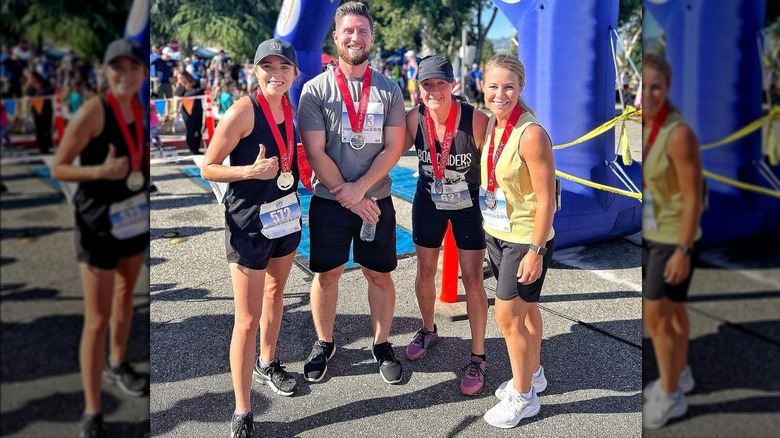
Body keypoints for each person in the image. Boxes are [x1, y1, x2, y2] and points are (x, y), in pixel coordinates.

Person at [298, 1, 406, 386]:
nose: (355, 37)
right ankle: (324, 342)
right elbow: (314, 151)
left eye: (362, 31)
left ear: (372, 37)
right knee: (327, 276)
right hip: (330, 203)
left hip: (376, 202)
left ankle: (381, 344)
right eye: (348, 30)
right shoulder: (315, 90)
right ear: (336, 36)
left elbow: (393, 148)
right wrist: (350, 196)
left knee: (379, 275)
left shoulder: (390, 88)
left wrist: (362, 191)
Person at [200, 38, 302, 438]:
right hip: (248, 225)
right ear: (255, 71)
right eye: (267, 67)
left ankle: (268, 362)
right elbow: (208, 166)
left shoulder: (292, 109)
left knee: (276, 294)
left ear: (295, 73)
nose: (275, 74)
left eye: (283, 67)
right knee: (246, 319)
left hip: (286, 217)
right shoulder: (243, 111)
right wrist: (247, 172)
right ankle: (242, 409)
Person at [50, 38, 149, 438]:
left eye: (131, 67)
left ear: (141, 72)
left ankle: (118, 361)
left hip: (132, 218)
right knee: (96, 318)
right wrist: (97, 173)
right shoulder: (94, 110)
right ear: (105, 72)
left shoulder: (141, 107)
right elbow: (59, 167)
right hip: (97, 224)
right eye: (116, 68)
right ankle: (92, 410)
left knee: (126, 293)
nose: (124, 74)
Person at [402, 55, 490, 394]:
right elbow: (390, 152)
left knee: (472, 279)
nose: (434, 90)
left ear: (453, 84)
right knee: (425, 271)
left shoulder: (476, 120)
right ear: (419, 87)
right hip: (429, 202)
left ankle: (478, 355)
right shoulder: (414, 119)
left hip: (467, 206)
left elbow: (497, 164)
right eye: (427, 84)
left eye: (440, 83)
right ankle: (427, 329)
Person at [478, 54, 556, 428]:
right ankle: (533, 373)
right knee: (527, 311)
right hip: (498, 233)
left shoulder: (532, 133)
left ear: (521, 88)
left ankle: (524, 397)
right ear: (483, 86)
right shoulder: (495, 123)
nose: (500, 93)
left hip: (526, 240)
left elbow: (547, 200)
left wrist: (537, 252)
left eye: (509, 86)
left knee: (508, 317)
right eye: (493, 86)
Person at [641, 53, 703, 430]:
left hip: (671, 239)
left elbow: (694, 197)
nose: (648, 93)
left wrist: (682, 250)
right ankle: (680, 374)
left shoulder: (677, 134)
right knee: (675, 313)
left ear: (668, 88)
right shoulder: (648, 126)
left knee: (657, 318)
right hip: (654, 234)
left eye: (656, 87)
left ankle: (670, 395)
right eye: (644, 87)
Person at [174, 70, 204, 155]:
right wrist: (176, 112)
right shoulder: (181, 88)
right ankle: (192, 149)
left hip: (198, 110)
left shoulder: (197, 84)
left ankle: (197, 148)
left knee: (198, 129)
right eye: (179, 78)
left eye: (182, 77)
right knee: (190, 130)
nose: (181, 80)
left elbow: (204, 92)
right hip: (186, 111)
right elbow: (177, 100)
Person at [25, 70, 54, 154]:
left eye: (30, 77)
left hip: (46, 109)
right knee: (39, 129)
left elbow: (50, 91)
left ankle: (47, 147)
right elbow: (27, 97)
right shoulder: (31, 88)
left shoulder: (45, 84)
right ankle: (41, 147)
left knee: (47, 128)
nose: (29, 79)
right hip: (36, 110)